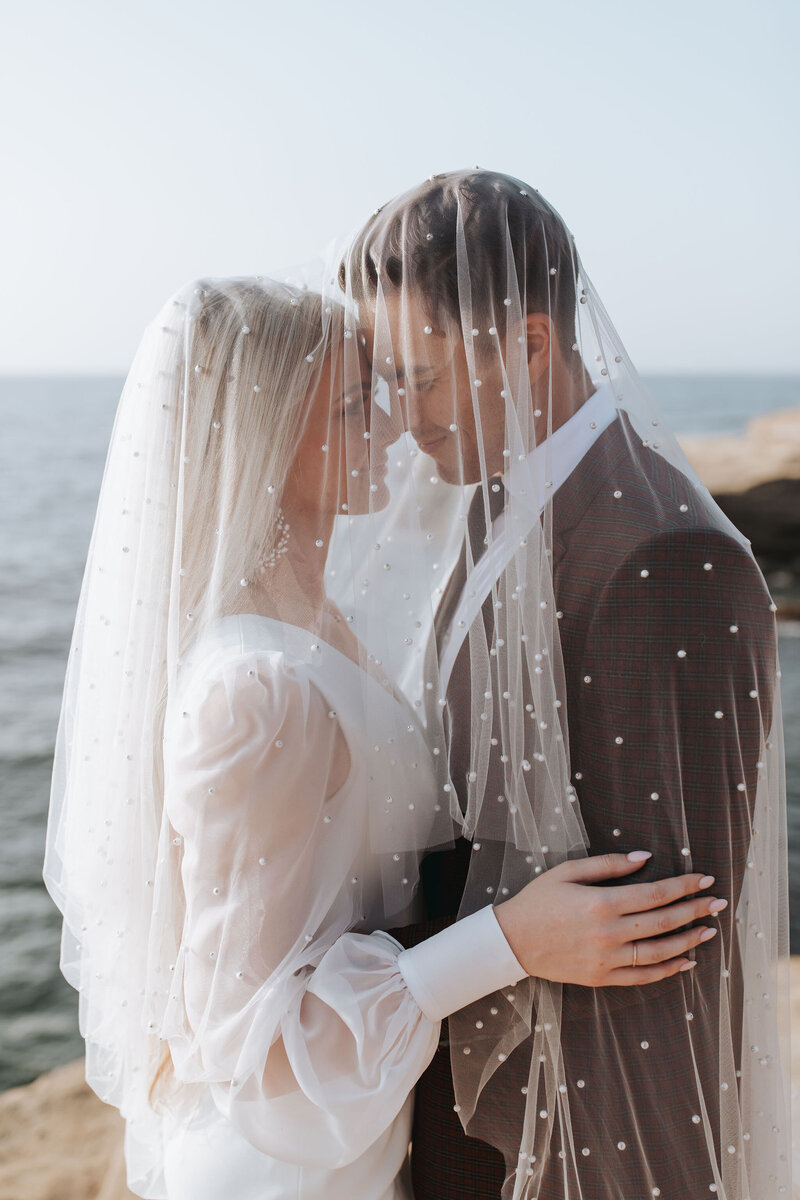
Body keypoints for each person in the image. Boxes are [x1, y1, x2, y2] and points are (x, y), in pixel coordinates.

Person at [42, 272, 731, 1200]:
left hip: (360, 1143)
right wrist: (512, 941)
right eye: (354, 404)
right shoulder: (254, 689)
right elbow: (254, 1044)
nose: (393, 423)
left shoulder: (311, 622)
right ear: (271, 439)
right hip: (282, 1168)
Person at [339, 169, 791, 1199]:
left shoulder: (659, 553)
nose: (399, 419)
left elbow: (663, 941)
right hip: (457, 1097)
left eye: (417, 377)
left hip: (567, 1143)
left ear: (528, 345)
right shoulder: (490, 498)